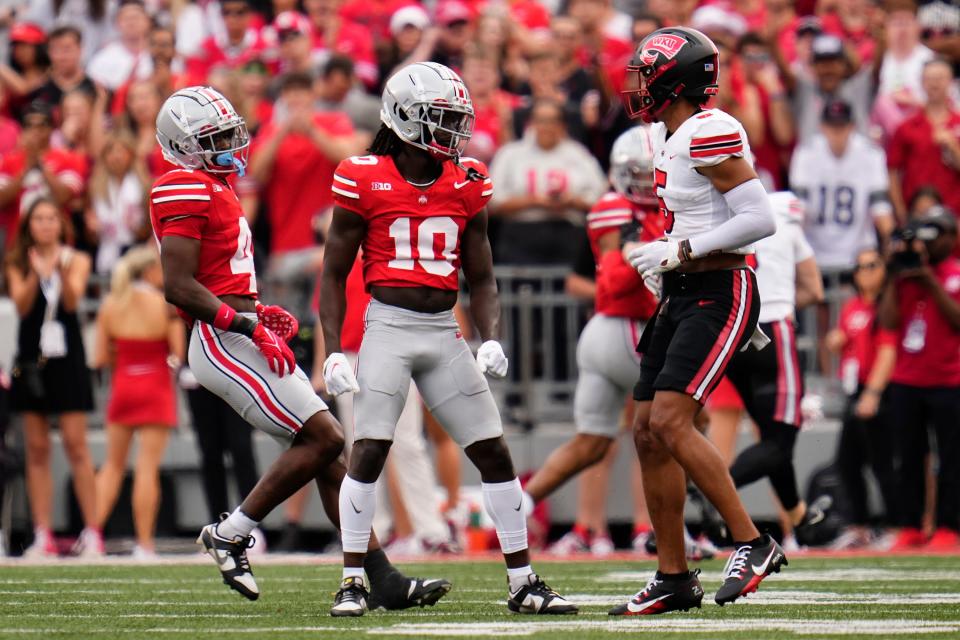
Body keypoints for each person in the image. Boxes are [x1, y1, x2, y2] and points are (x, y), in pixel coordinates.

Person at [150, 85, 449, 607]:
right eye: (213, 138)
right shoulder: (184, 186)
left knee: (327, 450)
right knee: (325, 439)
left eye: (227, 134)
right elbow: (177, 285)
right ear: (182, 145)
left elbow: (215, 274)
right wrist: (243, 324)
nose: (228, 145)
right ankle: (232, 531)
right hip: (220, 340)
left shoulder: (213, 186)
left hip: (236, 328)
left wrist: (255, 309)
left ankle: (380, 579)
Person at [320, 61, 577, 616]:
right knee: (368, 451)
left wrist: (490, 336)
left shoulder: (467, 180)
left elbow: (482, 276)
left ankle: (524, 581)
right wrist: (333, 347)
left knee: (494, 450)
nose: (455, 130)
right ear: (407, 118)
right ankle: (352, 580)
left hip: (444, 331)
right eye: (443, 118)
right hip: (387, 326)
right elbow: (332, 272)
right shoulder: (363, 175)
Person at [612, 26, 783, 616]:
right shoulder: (672, 133)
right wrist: (665, 256)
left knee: (672, 419)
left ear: (676, 78)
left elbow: (759, 216)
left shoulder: (711, 128)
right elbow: (697, 216)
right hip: (684, 290)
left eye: (647, 72)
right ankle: (673, 575)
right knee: (646, 431)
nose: (638, 83)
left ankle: (752, 541)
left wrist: (681, 251)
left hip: (720, 286)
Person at [519, 126, 662, 556]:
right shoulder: (622, 212)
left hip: (602, 332)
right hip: (632, 328)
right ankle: (667, 531)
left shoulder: (623, 209)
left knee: (592, 441)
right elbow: (616, 279)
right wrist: (652, 255)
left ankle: (517, 503)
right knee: (676, 431)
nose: (647, 181)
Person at [724, 191, 828, 546]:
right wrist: (783, 301)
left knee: (771, 438)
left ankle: (798, 515)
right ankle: (715, 486)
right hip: (773, 330)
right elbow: (814, 290)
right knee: (779, 442)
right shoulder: (787, 227)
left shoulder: (732, 224)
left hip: (736, 333)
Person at [4, 198, 101, 558]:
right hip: (32, 357)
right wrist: (35, 274)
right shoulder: (18, 262)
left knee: (77, 444)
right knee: (38, 448)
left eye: (51, 219)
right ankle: (42, 531)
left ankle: (92, 531)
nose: (45, 225)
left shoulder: (75, 258)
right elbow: (23, 304)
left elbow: (73, 302)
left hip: (67, 357)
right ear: (29, 225)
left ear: (60, 225)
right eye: (38, 219)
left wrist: (58, 272)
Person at [93, 245, 184, 558]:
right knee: (147, 467)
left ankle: (92, 534)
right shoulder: (165, 305)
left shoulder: (111, 304)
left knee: (112, 466)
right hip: (155, 384)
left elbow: (100, 357)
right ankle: (144, 543)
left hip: (124, 385)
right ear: (148, 271)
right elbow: (178, 353)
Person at [878, 207, 960, 551]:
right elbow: (889, 321)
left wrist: (930, 280)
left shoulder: (954, 273)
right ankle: (909, 524)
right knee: (909, 457)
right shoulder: (906, 275)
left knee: (953, 457)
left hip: (949, 379)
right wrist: (895, 276)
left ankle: (948, 525)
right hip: (908, 378)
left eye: (937, 233)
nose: (930, 241)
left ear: (952, 237)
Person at [825, 248, 899, 550]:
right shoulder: (853, 306)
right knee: (848, 461)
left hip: (879, 389)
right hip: (855, 389)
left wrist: (873, 394)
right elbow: (841, 340)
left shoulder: (887, 306)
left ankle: (896, 524)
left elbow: (887, 351)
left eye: (872, 265)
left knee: (883, 462)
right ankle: (858, 525)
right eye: (859, 266)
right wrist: (836, 342)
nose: (864, 271)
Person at [790, 100, 894, 274]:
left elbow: (881, 209)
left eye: (842, 126)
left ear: (852, 126)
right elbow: (799, 209)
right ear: (822, 127)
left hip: (859, 252)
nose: (837, 132)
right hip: (814, 251)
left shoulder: (871, 154)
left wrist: (891, 244)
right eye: (832, 126)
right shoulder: (806, 153)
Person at [887, 59, 960, 223]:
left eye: (940, 78)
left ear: (951, 82)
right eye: (929, 79)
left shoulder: (958, 123)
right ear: (921, 82)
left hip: (953, 218)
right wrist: (901, 213)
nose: (934, 84)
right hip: (916, 215)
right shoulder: (906, 127)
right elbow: (892, 172)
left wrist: (953, 147)